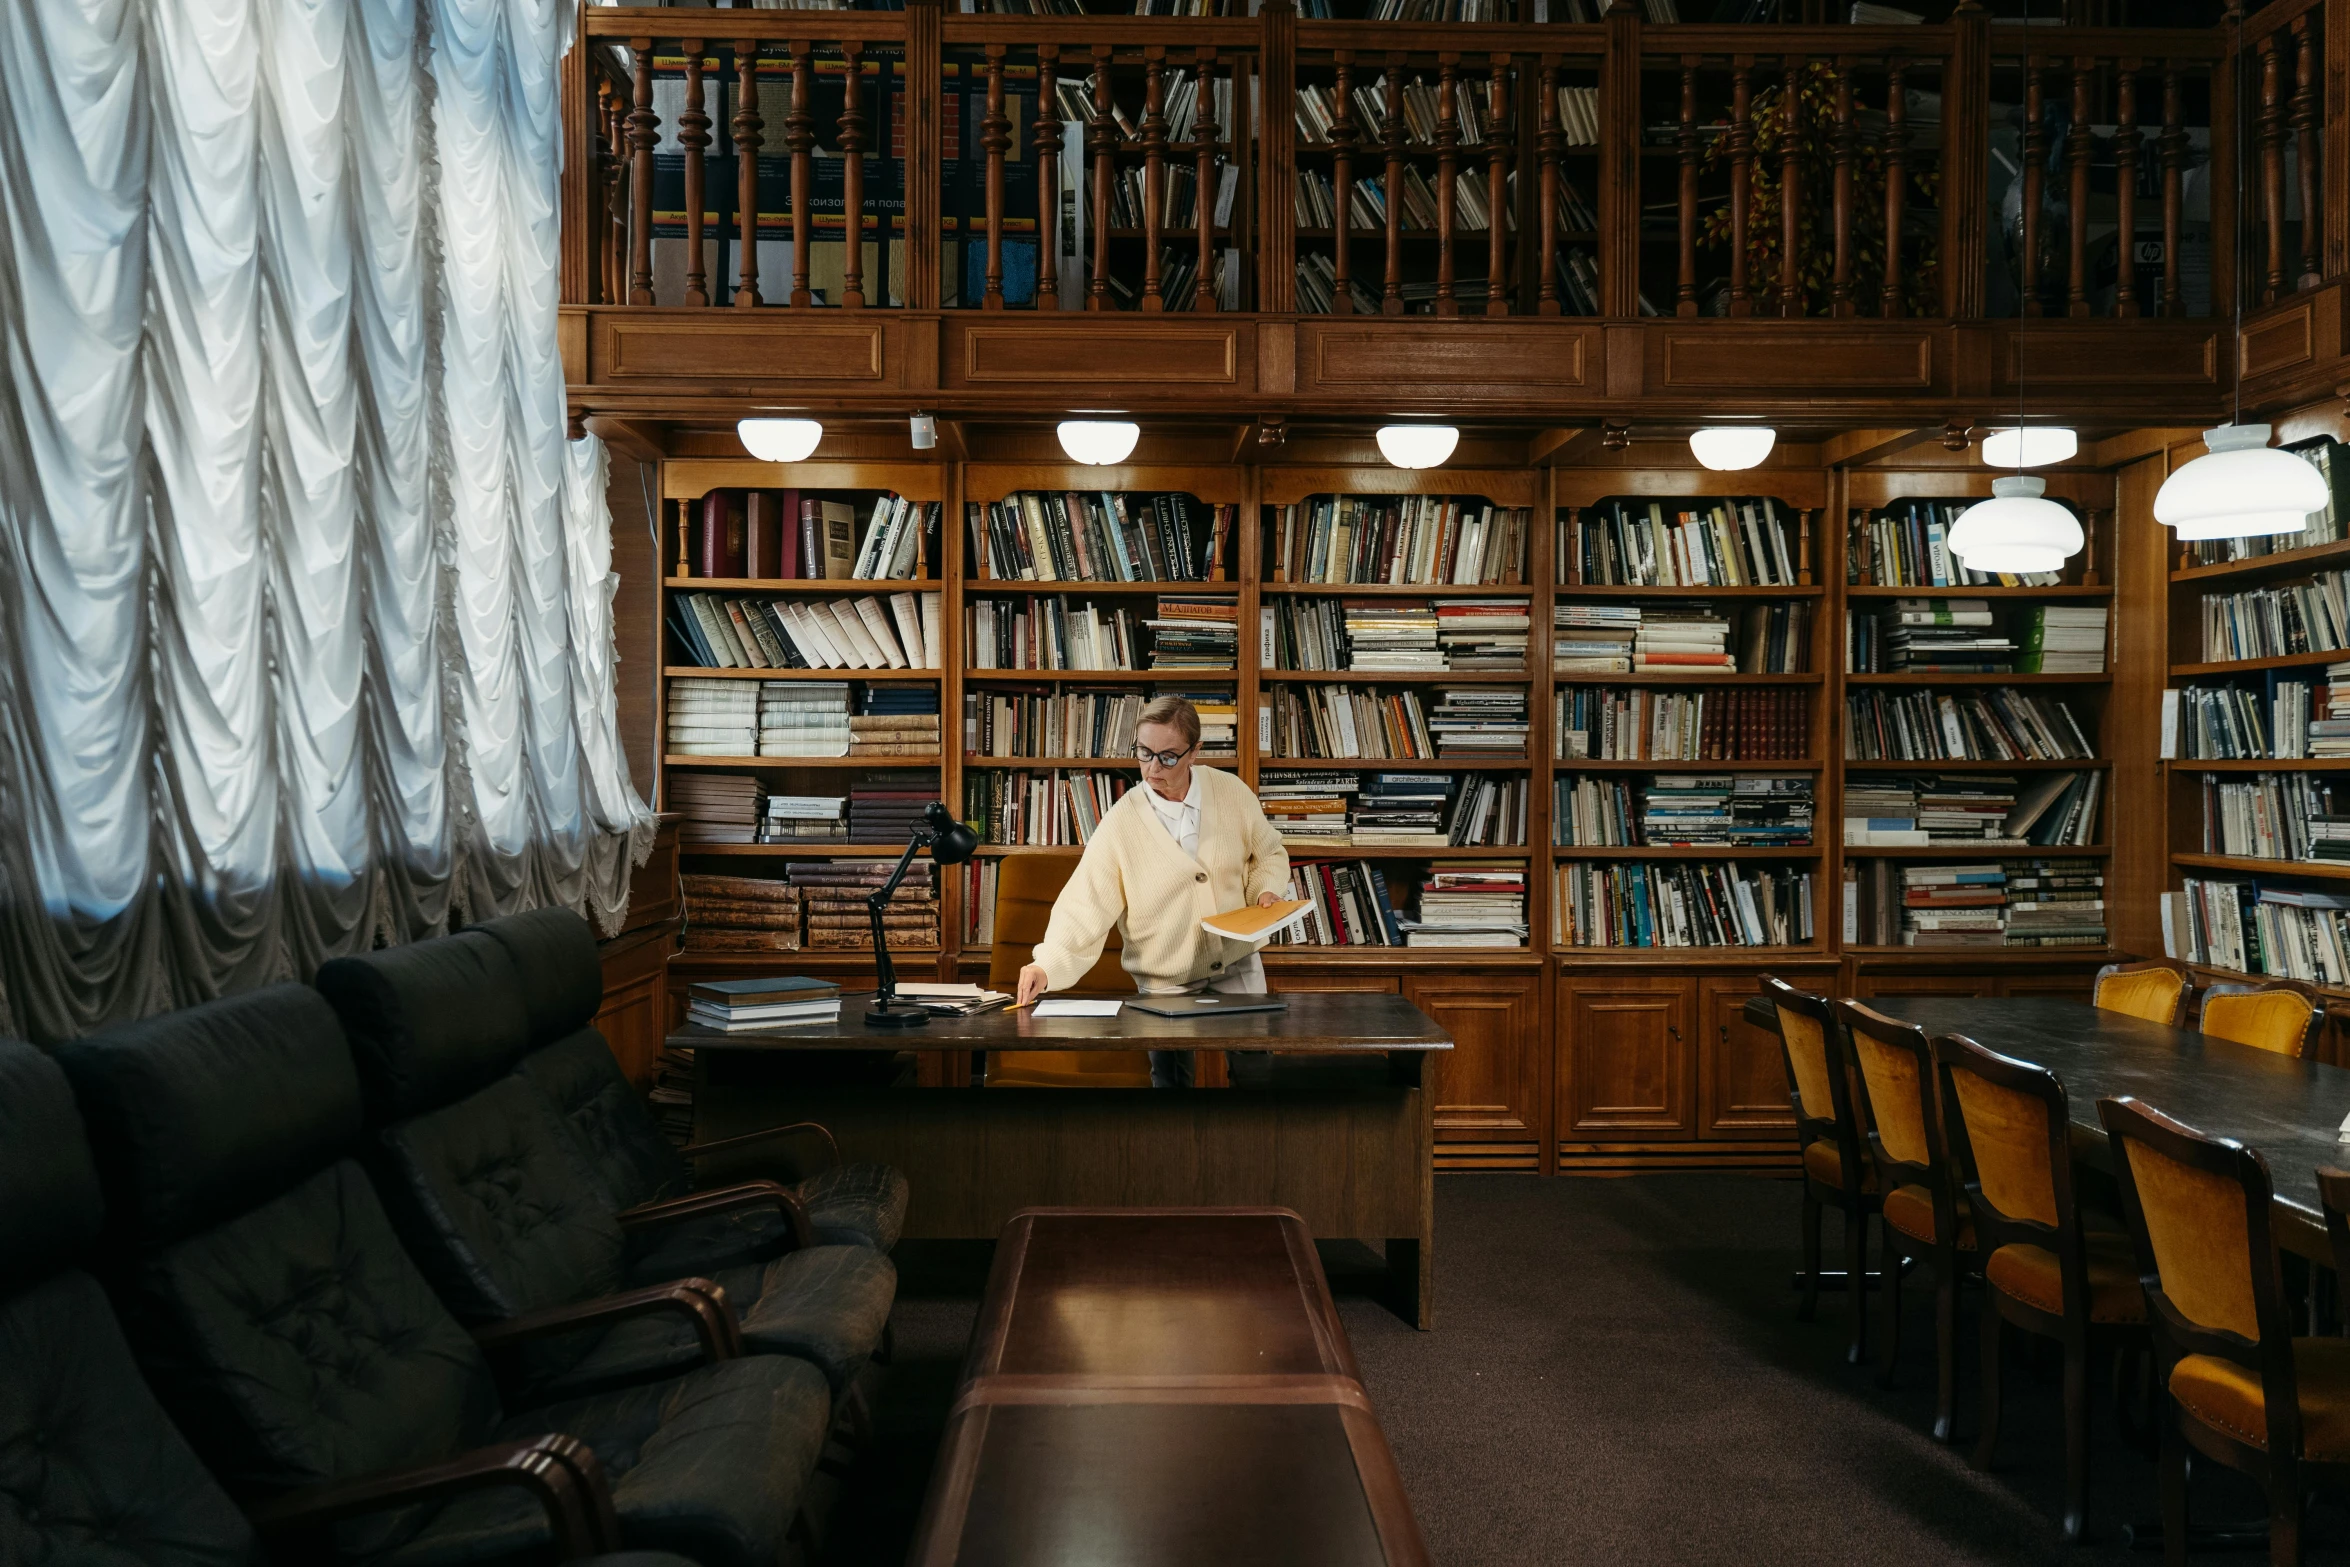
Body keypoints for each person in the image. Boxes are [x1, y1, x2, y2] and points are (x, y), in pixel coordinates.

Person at [1017, 694, 1289, 1087]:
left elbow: (1269, 853)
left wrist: (1266, 890)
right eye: (1143, 752)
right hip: (1165, 973)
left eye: (1167, 756)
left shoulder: (1231, 792)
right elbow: (1086, 901)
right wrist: (1048, 963)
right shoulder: (1121, 822)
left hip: (1236, 959)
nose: (1151, 768)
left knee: (1255, 1069)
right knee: (1171, 1079)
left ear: (1195, 752)